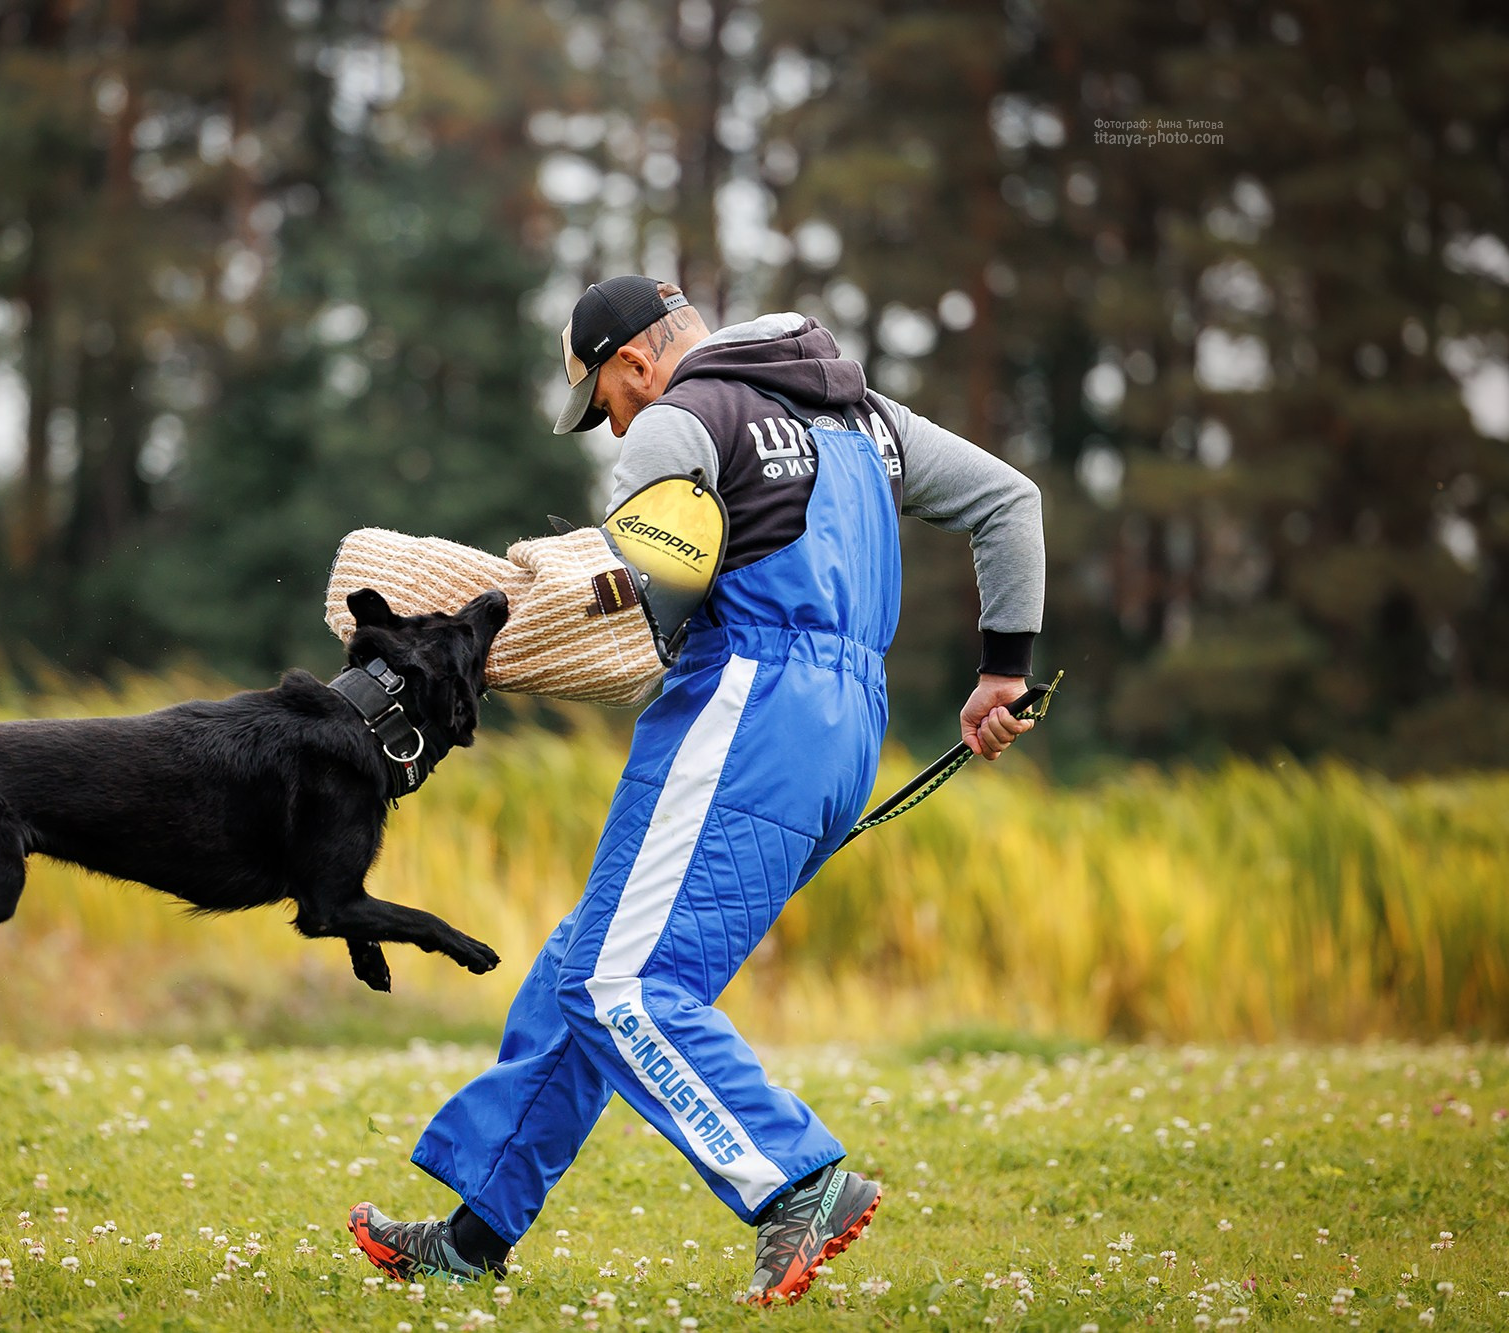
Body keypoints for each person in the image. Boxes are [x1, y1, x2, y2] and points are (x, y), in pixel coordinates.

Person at [349, 275, 1045, 1306]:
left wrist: (484, 638)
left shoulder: (679, 419)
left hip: (744, 705)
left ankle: (794, 1182)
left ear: (633, 361)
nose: (610, 425)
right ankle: (474, 1229)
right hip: (846, 727)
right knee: (588, 960)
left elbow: (634, 619)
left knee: (621, 985)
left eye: (604, 402)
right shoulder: (863, 418)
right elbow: (1008, 501)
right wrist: (1001, 668)